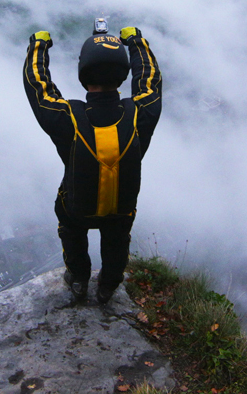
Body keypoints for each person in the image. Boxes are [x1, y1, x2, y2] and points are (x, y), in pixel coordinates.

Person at [23, 20, 162, 304]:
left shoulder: (67, 117)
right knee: (117, 240)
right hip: (121, 207)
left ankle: (78, 279)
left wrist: (39, 44)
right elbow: (149, 77)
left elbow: (38, 85)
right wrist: (135, 41)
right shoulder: (140, 113)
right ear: (122, 76)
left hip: (78, 207)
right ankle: (108, 286)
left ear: (83, 75)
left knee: (71, 230)